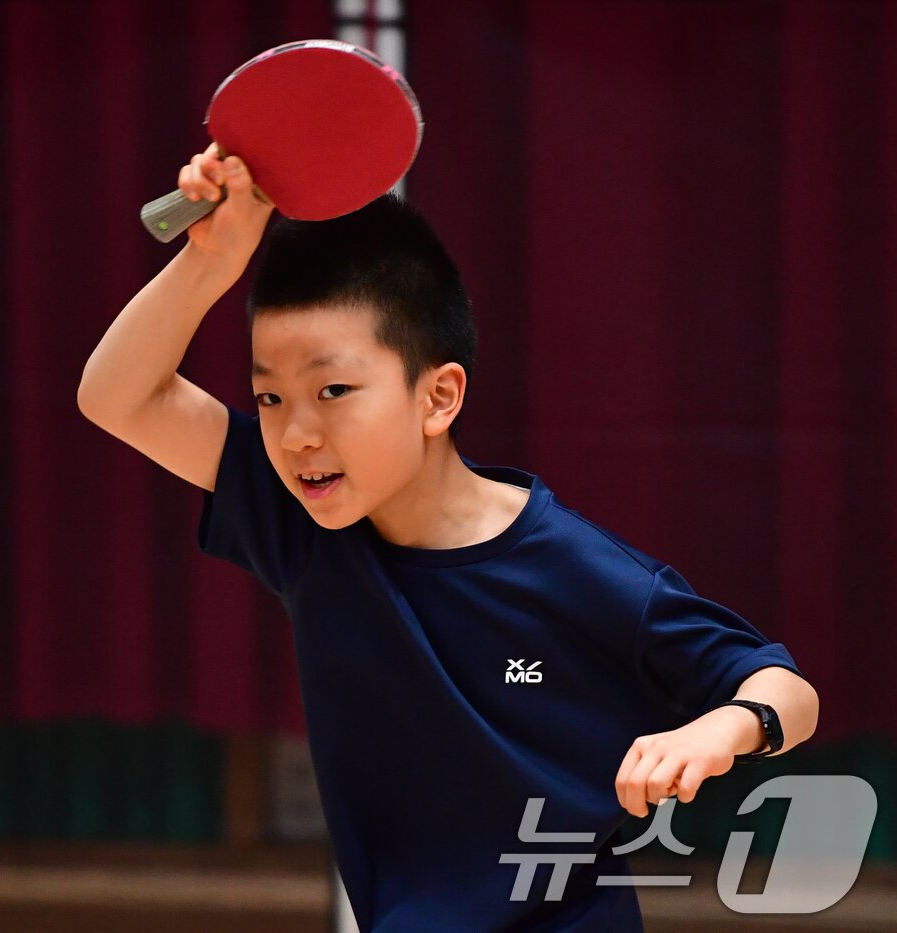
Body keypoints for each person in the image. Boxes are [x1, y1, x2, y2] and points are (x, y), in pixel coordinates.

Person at [76, 144, 820, 932]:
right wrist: (212, 261)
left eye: (333, 390)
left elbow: (783, 688)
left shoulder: (571, 566)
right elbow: (117, 397)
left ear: (438, 396)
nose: (295, 434)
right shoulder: (301, 524)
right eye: (267, 396)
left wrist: (726, 726)